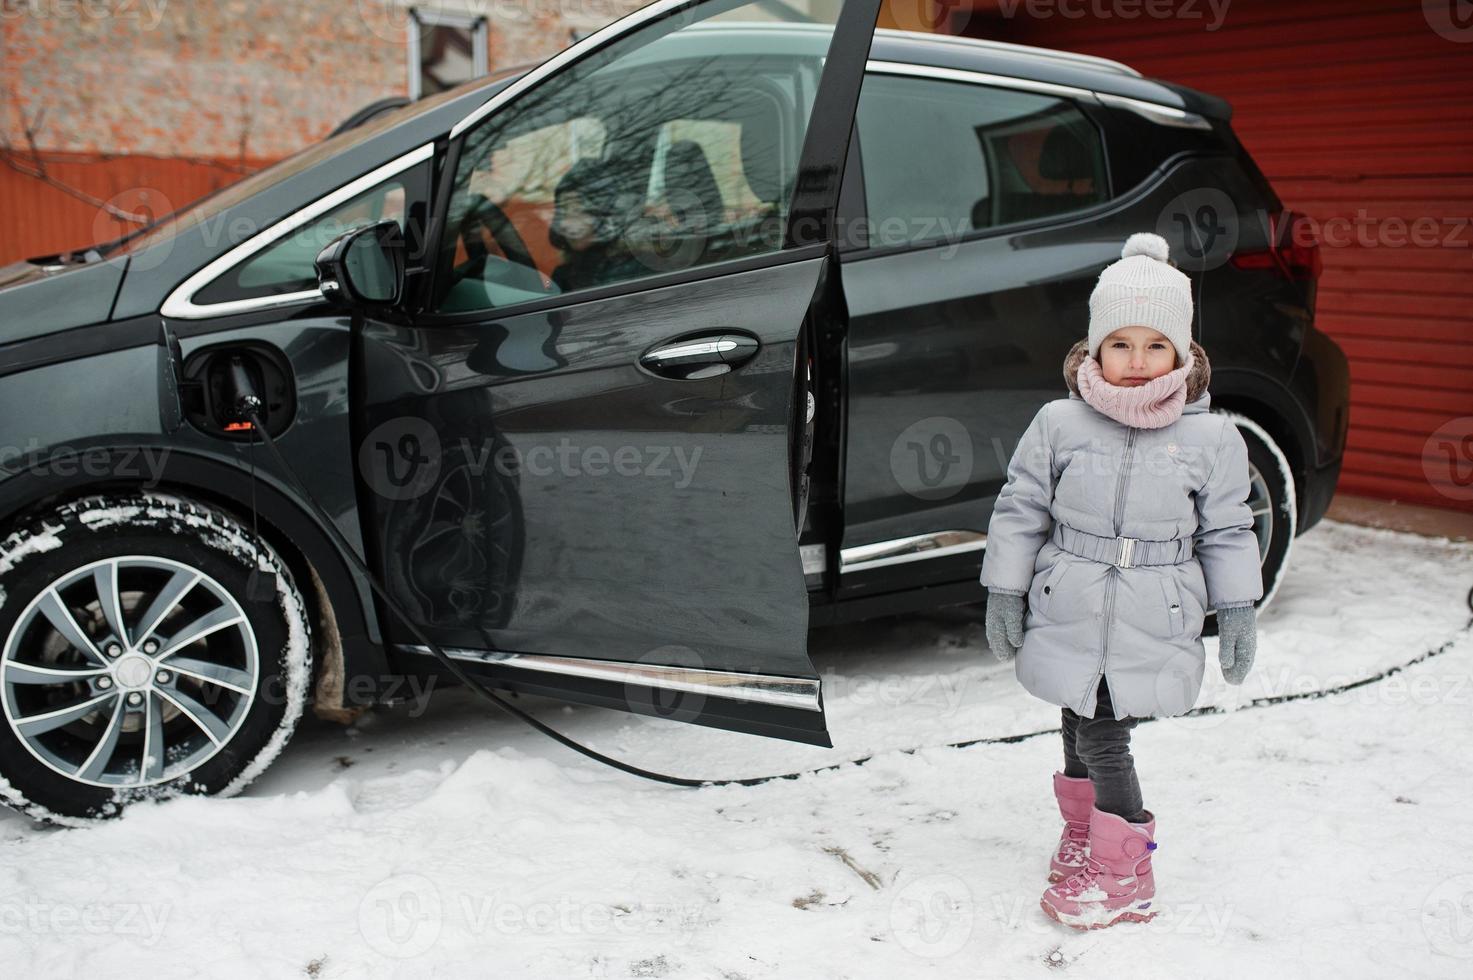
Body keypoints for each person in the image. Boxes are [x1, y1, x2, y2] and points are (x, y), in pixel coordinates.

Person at [979, 231, 1263, 930]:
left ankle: (1124, 871)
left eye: (1155, 346)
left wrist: (1236, 609)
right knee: (1075, 720)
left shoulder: (1213, 440)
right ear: (1093, 349)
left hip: (1150, 610)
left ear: (1183, 355)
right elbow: (1020, 508)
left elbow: (1228, 530)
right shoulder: (1059, 423)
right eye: (1120, 344)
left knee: (1106, 737)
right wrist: (1005, 589)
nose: (1136, 362)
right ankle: (1084, 837)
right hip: (1068, 599)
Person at [548, 157, 649, 293]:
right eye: (562, 212)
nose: (563, 224)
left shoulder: (636, 271)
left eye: (576, 211)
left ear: (606, 213)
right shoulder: (563, 276)